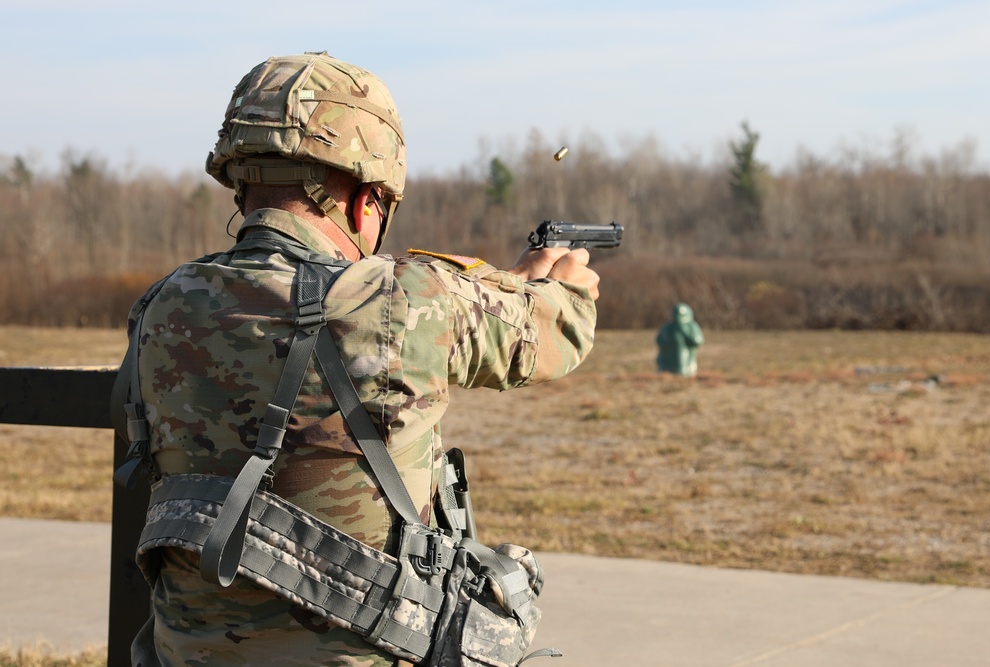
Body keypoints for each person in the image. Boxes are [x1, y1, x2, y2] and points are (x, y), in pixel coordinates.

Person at [113, 52, 599, 666]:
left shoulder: (162, 304)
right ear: (367, 201)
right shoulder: (408, 297)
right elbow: (554, 335)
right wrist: (568, 283)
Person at [656, 303, 703, 376]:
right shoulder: (668, 327)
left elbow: (697, 341)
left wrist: (684, 331)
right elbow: (659, 340)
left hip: (687, 360)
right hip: (668, 360)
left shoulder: (691, 326)